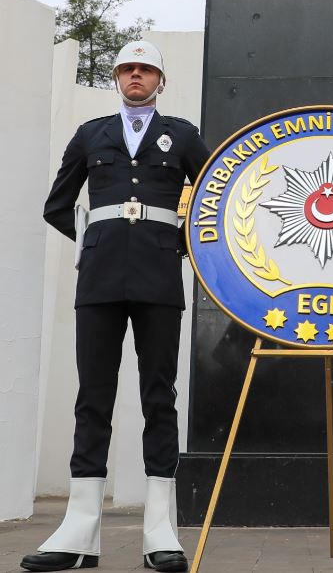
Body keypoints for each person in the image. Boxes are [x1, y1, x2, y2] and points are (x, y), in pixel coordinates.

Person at [21, 41, 209, 573]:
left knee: (158, 396)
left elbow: (215, 196)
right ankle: (80, 527)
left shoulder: (185, 135)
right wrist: (95, 238)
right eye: (127, 68)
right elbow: (58, 205)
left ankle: (159, 528)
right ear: (115, 77)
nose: (135, 76)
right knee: (93, 395)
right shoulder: (90, 135)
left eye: (145, 69)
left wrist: (176, 242)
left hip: (157, 276)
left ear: (160, 80)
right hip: (100, 279)